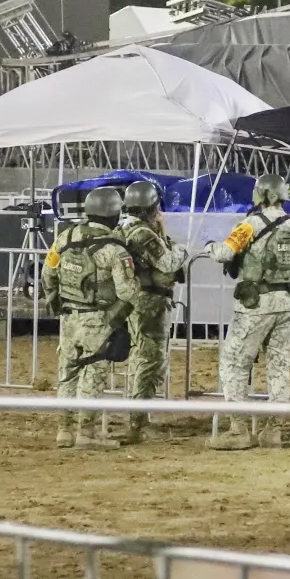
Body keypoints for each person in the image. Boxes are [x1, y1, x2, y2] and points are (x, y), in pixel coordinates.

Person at [207, 174, 290, 451]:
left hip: (256, 304)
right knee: (279, 367)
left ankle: (238, 430)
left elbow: (224, 253)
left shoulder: (250, 224)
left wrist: (209, 247)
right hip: (287, 304)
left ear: (260, 195)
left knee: (234, 363)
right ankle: (273, 431)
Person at [42, 186, 138, 451]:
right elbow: (127, 292)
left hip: (69, 318)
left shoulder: (65, 237)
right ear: (114, 214)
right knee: (93, 373)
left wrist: (57, 301)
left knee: (68, 372)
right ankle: (87, 433)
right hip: (98, 319)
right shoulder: (114, 249)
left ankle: (64, 431)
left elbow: (47, 274)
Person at [113, 180, 186, 444]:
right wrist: (180, 249)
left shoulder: (126, 228)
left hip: (141, 302)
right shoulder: (142, 233)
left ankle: (141, 418)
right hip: (149, 304)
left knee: (146, 359)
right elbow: (167, 262)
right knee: (149, 361)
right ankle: (137, 422)